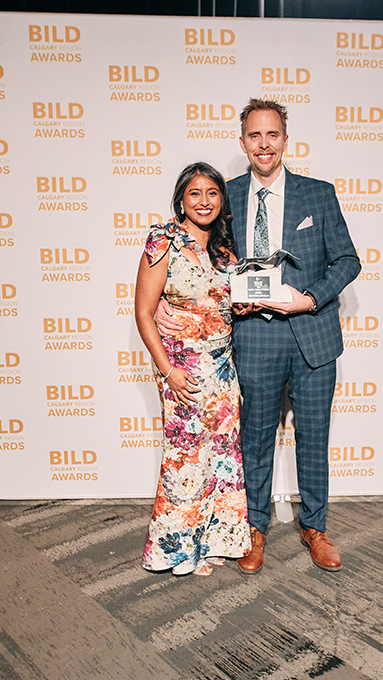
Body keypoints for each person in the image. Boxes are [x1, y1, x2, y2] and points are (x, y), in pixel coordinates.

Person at [158, 100, 360, 573]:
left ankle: (315, 527)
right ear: (243, 141)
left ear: (285, 140)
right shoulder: (223, 196)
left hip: (313, 336)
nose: (264, 144)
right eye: (255, 136)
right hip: (252, 337)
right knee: (253, 439)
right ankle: (254, 528)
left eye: (272, 135)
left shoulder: (319, 194)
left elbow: (347, 261)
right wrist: (165, 296)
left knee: (314, 437)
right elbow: (190, 252)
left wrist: (308, 298)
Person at [135, 162, 251, 576]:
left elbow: (225, 306)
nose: (204, 201)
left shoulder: (225, 252)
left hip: (223, 368)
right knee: (186, 456)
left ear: (222, 200)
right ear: (181, 200)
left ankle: (215, 542)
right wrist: (168, 371)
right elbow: (144, 313)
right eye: (195, 193)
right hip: (182, 368)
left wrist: (243, 305)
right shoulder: (162, 241)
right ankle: (178, 550)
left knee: (222, 455)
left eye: (212, 193)